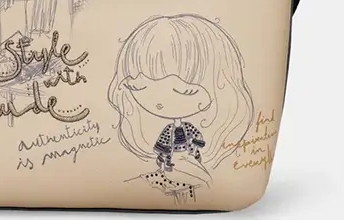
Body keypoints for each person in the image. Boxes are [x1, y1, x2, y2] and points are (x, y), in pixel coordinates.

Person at [107, 14, 254, 201]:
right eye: (139, 87)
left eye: (185, 90)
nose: (160, 102)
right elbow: (165, 144)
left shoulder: (205, 167)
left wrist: (195, 154)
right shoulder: (167, 134)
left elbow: (195, 140)